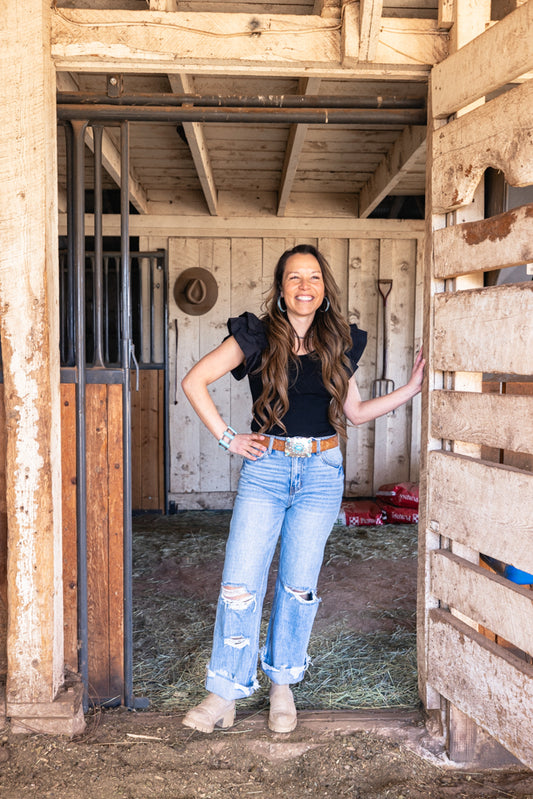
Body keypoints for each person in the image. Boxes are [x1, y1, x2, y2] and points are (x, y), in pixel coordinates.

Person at [180, 243, 425, 735]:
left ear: (324, 287)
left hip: (321, 473)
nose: (304, 286)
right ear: (281, 288)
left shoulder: (340, 340)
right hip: (266, 470)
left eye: (313, 277)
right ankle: (224, 692)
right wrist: (230, 438)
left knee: (298, 586)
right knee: (240, 582)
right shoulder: (255, 336)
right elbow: (194, 381)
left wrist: (412, 389)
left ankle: (282, 685)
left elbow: (354, 413)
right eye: (294, 278)